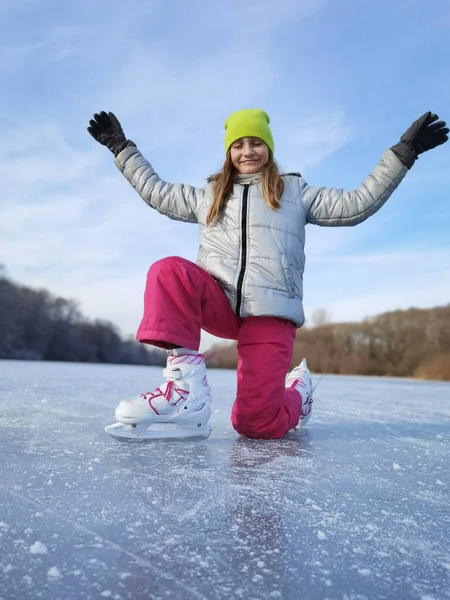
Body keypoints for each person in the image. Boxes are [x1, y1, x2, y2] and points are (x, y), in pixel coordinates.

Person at [88, 108, 448, 441]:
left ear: (269, 148)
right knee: (168, 271)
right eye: (239, 144)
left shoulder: (295, 192)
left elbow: (358, 203)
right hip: (221, 302)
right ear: (229, 152)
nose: (248, 151)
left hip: (270, 311)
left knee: (255, 425)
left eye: (256, 142)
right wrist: (122, 148)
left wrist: (405, 152)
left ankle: (298, 394)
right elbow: (156, 190)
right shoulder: (210, 195)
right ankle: (184, 393)